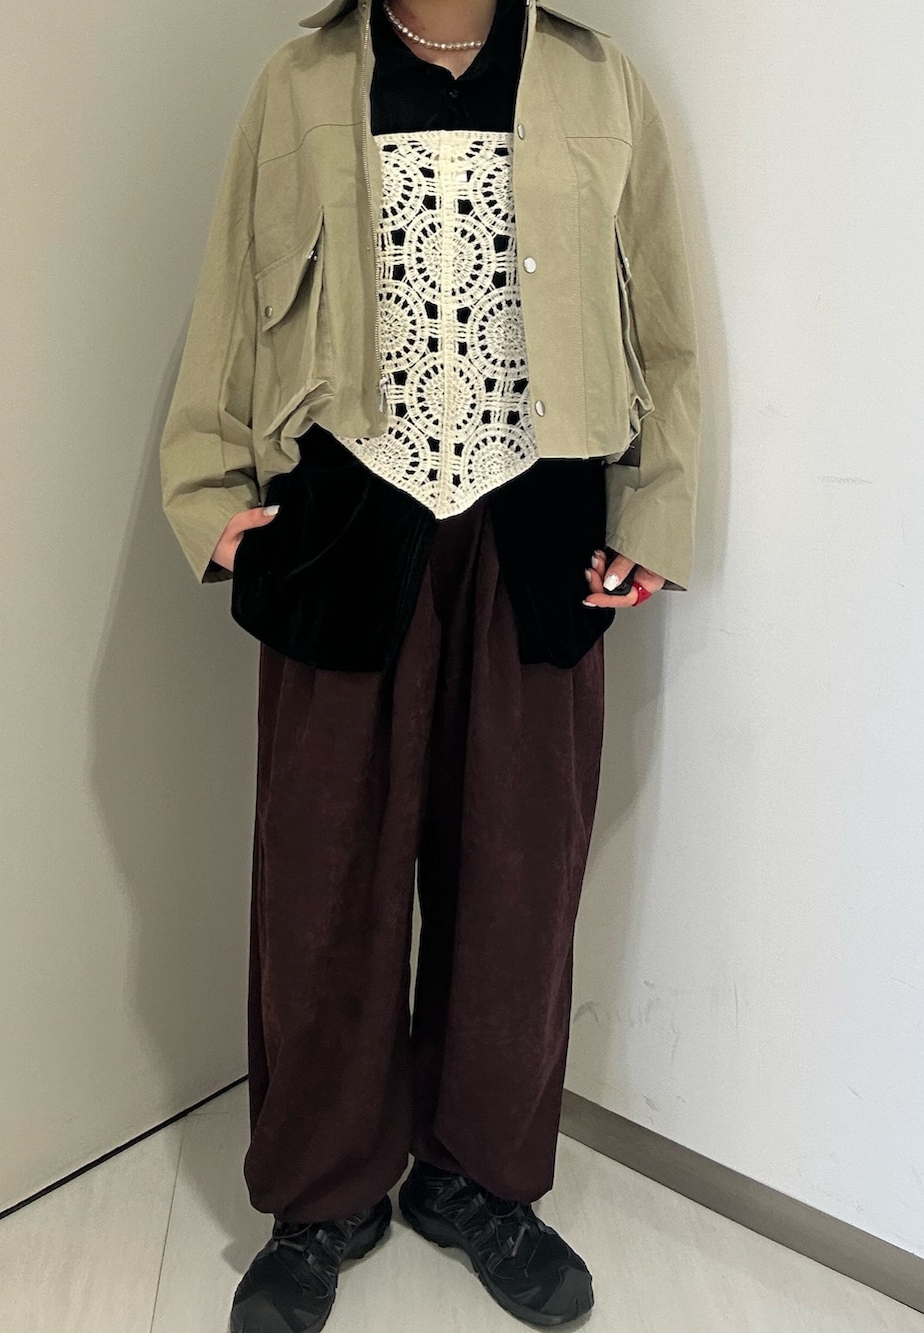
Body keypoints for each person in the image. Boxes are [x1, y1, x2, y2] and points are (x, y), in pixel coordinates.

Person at [158, 0, 700, 1329]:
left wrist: (657, 512)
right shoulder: (297, 81)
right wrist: (205, 489)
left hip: (542, 528)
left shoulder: (602, 84)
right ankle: (323, 1195)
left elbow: (665, 318)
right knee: (321, 879)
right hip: (343, 520)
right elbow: (230, 297)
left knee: (520, 875)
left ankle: (477, 1180)